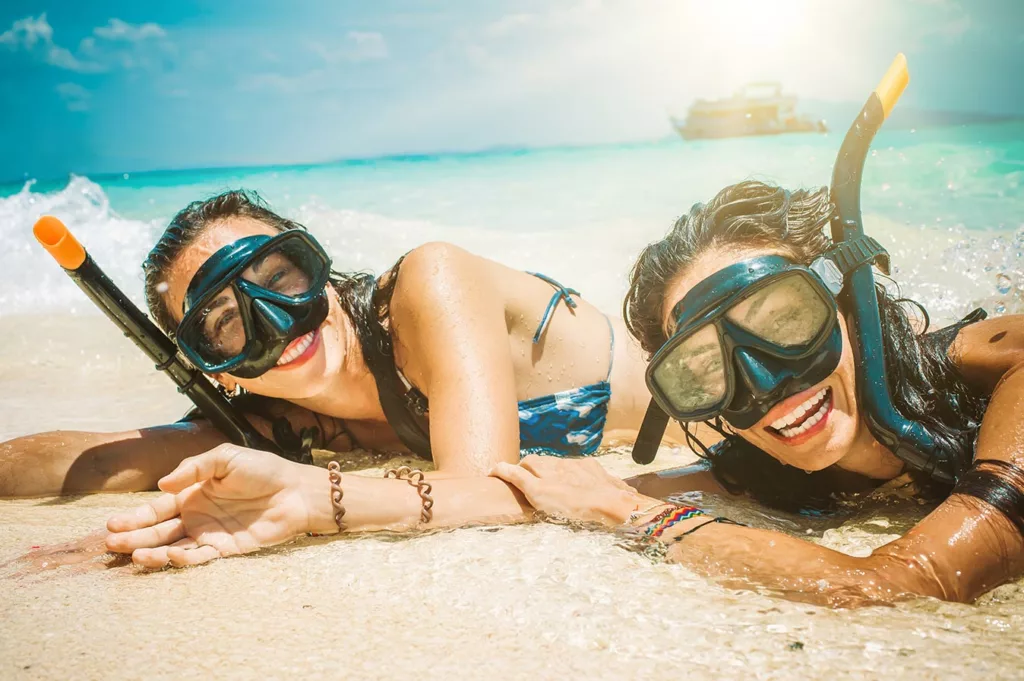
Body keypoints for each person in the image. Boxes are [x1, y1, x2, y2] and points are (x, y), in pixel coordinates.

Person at [486, 180, 1024, 605]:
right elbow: (587, 491)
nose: (764, 387)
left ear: (847, 297)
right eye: (704, 369)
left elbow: (904, 586)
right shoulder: (764, 470)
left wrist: (629, 514)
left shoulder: (1007, 369)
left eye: (785, 320)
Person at [0, 189, 686, 498]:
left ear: (318, 266)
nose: (280, 321)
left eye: (281, 278)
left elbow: (482, 489)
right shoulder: (285, 422)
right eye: (229, 324)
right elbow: (100, 460)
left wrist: (310, 497)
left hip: (752, 422)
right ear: (221, 372)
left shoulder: (428, 285)